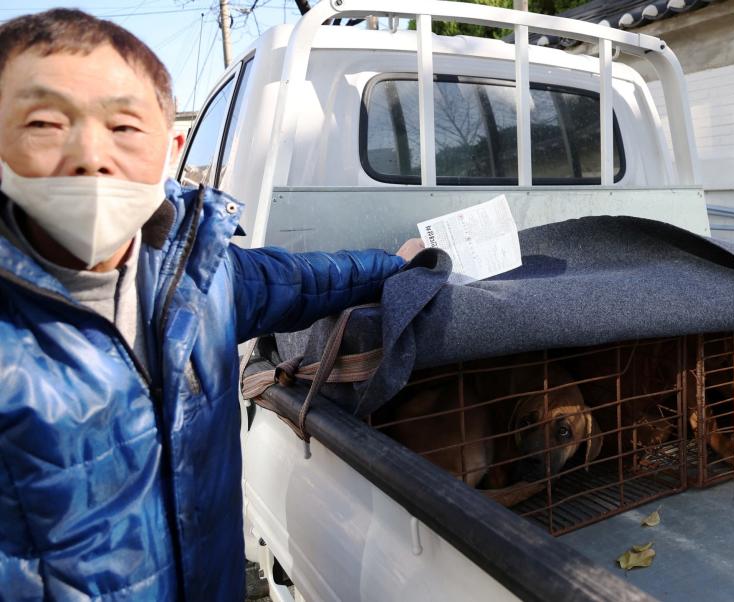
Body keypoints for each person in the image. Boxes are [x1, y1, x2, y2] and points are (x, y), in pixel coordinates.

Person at [0, 9, 423, 600]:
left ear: (171, 146)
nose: (90, 154)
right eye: (45, 122)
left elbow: (307, 281)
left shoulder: (203, 274)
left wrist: (401, 267)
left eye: (123, 127)